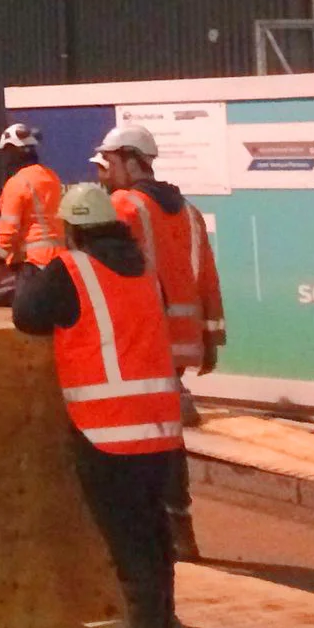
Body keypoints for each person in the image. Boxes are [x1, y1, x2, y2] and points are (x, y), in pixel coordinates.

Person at [10, 181, 183, 628]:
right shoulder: (145, 271)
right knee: (152, 525)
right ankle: (163, 621)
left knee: (126, 532)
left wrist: (31, 272)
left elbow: (28, 316)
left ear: (73, 229)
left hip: (106, 429)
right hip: (159, 425)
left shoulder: (72, 269)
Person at [93, 122, 223, 558]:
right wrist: (210, 339)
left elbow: (109, 278)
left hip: (141, 341)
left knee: (134, 439)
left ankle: (147, 534)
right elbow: (206, 277)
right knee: (166, 436)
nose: (103, 172)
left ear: (131, 161)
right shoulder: (189, 211)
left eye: (108, 163)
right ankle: (178, 528)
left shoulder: (122, 207)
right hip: (181, 343)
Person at [0, 123, 64, 280]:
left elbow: (8, 230)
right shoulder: (52, 177)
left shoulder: (17, 183)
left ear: (12, 151)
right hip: (59, 260)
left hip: (32, 263)